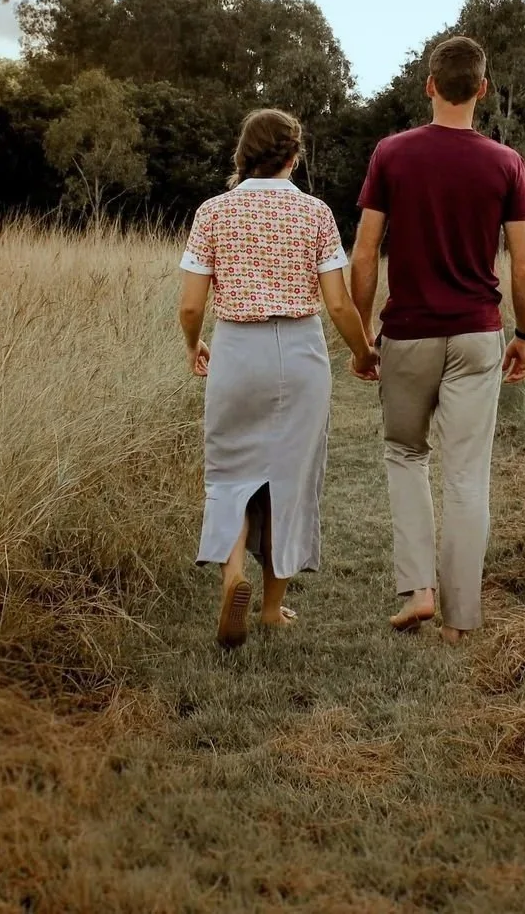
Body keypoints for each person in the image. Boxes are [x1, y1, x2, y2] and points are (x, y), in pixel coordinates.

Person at [349, 36, 525, 644]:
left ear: (428, 84)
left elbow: (365, 252)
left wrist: (360, 335)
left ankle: (419, 591)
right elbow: (524, 265)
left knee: (405, 456)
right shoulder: (506, 163)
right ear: (483, 89)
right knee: (466, 476)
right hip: (479, 334)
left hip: (408, 333)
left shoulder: (391, 154)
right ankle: (461, 619)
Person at [178, 108, 381, 649]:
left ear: (242, 155)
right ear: (295, 156)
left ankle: (232, 577)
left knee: (229, 473)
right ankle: (270, 608)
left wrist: (194, 345)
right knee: (291, 478)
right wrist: (363, 353)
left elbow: (191, 305)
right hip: (301, 351)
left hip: (237, 352)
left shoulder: (213, 213)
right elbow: (338, 304)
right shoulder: (315, 214)